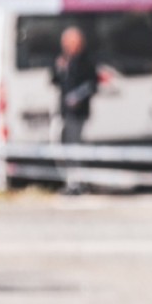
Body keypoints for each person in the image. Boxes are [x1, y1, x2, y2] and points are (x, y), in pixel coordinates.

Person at [51, 25, 99, 191]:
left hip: (78, 112)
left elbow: (92, 84)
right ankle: (70, 181)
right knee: (63, 146)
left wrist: (78, 97)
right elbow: (55, 81)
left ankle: (78, 183)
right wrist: (59, 68)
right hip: (64, 111)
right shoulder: (65, 60)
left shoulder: (86, 62)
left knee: (75, 146)